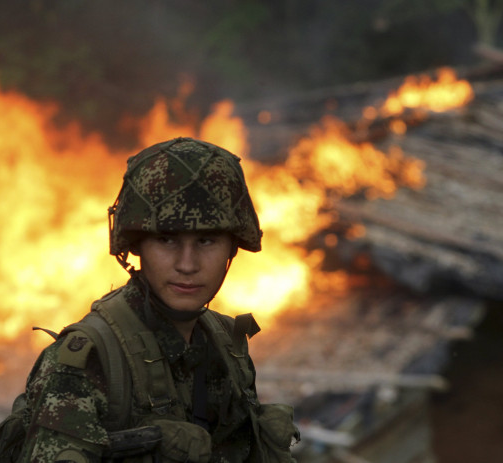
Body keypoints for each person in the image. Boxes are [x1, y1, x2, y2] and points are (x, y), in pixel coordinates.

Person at [18, 137, 299, 463]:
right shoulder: (88, 361)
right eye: (167, 240)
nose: (187, 264)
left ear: (232, 248)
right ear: (136, 246)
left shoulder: (226, 346)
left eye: (206, 240)